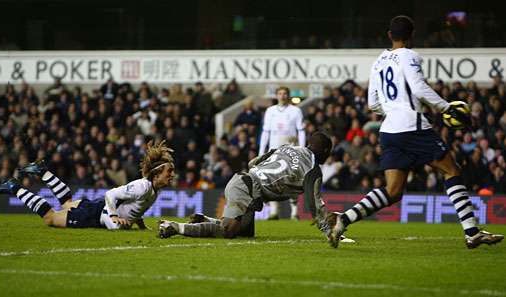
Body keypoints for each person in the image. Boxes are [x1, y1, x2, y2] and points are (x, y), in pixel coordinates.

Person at [329, 15, 503, 249]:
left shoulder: (378, 61)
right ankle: (472, 232)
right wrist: (445, 107)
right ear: (412, 36)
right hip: (412, 126)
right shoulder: (410, 56)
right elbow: (419, 87)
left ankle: (343, 219)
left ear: (389, 35)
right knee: (452, 170)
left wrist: (393, 108)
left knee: (393, 191)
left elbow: (372, 104)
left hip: (389, 130)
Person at [158, 132, 353, 243]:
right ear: (326, 152)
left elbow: (253, 162)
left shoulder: (287, 147)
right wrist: (330, 231)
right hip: (247, 188)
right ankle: (175, 227)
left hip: (245, 181)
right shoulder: (313, 169)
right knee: (228, 231)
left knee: (245, 233)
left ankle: (205, 220)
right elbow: (313, 204)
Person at [0, 141, 175, 230]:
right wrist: (112, 216)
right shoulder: (143, 186)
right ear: (157, 173)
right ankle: (13, 186)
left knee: (68, 203)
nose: (172, 175)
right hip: (97, 215)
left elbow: (134, 207)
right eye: (169, 172)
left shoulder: (153, 190)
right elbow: (111, 195)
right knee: (50, 218)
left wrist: (140, 225)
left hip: (97, 210)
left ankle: (43, 171)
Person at [258, 86, 306, 220]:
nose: (282, 96)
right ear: (276, 96)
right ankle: (274, 212)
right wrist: (262, 151)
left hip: (290, 149)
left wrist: (301, 148)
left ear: (288, 96)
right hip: (274, 149)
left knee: (291, 179)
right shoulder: (270, 111)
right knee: (272, 180)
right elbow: (265, 131)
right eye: (280, 93)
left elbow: (301, 130)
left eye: (285, 93)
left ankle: (294, 212)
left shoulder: (296, 111)